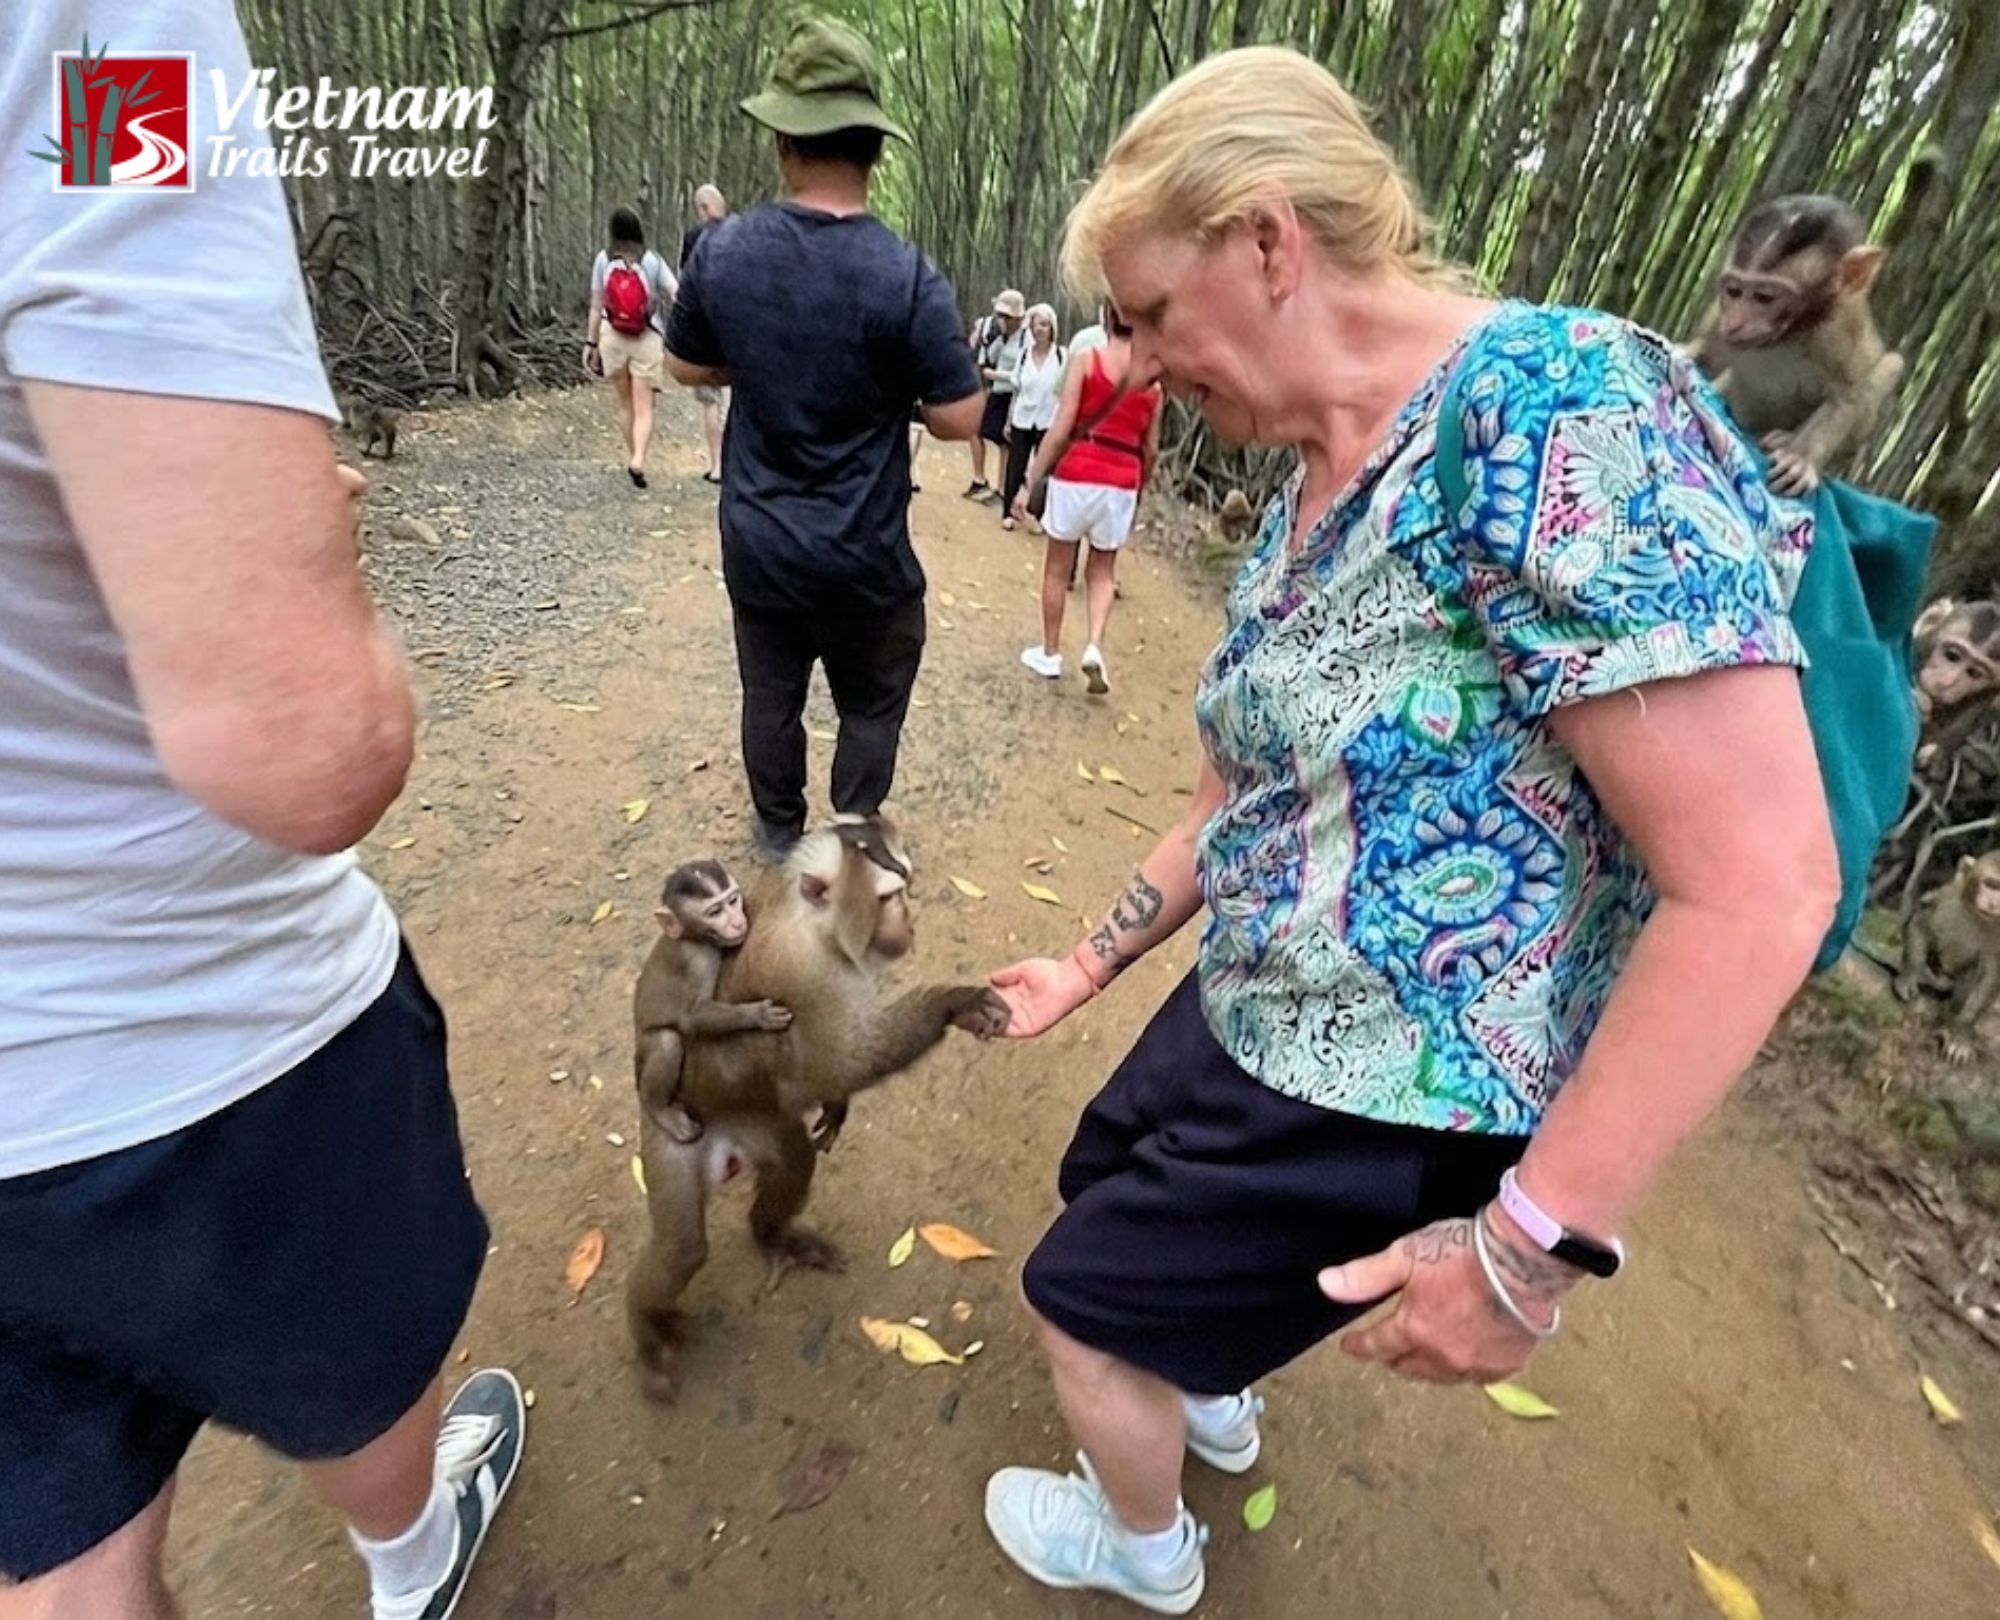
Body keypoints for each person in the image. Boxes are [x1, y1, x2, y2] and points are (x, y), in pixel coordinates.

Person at [982, 46, 1836, 1614]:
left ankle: (1144, 1550)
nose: (1140, 360)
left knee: (1079, 1301)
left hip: (1389, 1084)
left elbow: (1762, 882)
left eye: (1152, 311)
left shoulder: (1557, 411)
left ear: (1265, 240)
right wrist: (1088, 967)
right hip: (1252, 1001)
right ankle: (1206, 1377)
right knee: (1102, 1177)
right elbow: (1239, 790)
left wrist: (1526, 1252)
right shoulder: (1313, 472)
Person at [0, 4, 525, 1619]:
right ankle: (409, 1548)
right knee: (347, 1366)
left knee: (61, 1550)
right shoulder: (91, 36)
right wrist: (304, 527)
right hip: (183, 1034)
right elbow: (306, 740)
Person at [666, 16, 982, 859]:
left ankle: (777, 833)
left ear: (784, 143)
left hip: (761, 537)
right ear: (873, 149)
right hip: (863, 551)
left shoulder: (721, 253)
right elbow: (961, 417)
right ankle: (850, 828)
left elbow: (684, 367)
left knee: (768, 690)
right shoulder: (908, 276)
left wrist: (762, 367)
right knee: (872, 699)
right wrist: (891, 395)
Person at [1013, 313, 1161, 694]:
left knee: (1058, 569)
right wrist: (1137, 484)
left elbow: (1061, 429)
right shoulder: (1154, 382)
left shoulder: (1087, 360)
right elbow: (1152, 448)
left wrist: (1029, 481)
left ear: (1107, 317)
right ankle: (1094, 645)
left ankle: (1050, 652)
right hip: (1122, 480)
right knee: (1102, 571)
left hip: (1078, 471)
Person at [584, 207, 678, 489]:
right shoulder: (651, 260)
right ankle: (638, 457)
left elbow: (596, 306)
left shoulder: (603, 259)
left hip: (612, 336)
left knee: (625, 404)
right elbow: (676, 292)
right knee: (644, 407)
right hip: (646, 336)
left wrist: (590, 343)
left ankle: (633, 454)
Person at [680, 184, 732, 483]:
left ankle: (717, 465)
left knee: (710, 401)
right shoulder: (743, 233)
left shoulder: (694, 239)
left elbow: (687, 286)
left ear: (702, 208)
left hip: (708, 330)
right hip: (739, 327)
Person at [998, 303, 1063, 532]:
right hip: (1022, 417)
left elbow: (1065, 392)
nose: (1040, 330)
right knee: (1016, 465)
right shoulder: (1025, 354)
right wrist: (1008, 419)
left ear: (1052, 328)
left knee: (1043, 469)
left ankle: (1038, 515)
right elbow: (1017, 386)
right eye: (1036, 325)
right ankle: (1008, 513)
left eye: (1044, 325)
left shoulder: (1061, 356)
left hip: (1049, 420)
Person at [963, 289, 1026, 501]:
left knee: (1005, 442)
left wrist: (998, 375)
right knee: (977, 431)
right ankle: (980, 479)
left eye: (1008, 316)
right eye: (1001, 315)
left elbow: (1022, 372)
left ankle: (1002, 488)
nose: (1003, 320)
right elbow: (984, 358)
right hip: (995, 392)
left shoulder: (1025, 339)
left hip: (1013, 394)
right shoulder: (994, 333)